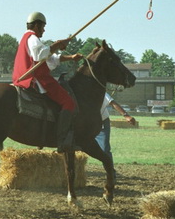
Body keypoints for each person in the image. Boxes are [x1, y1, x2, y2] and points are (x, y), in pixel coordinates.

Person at [12, 12, 83, 153]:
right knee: (69, 103)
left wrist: (71, 57)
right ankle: (62, 141)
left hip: (28, 76)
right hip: (35, 78)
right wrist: (57, 44)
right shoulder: (32, 38)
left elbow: (51, 59)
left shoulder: (30, 39)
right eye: (43, 27)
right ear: (37, 25)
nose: (44, 30)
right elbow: (41, 54)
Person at [96, 92, 136, 177]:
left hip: (102, 122)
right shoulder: (81, 91)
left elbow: (113, 103)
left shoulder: (100, 91)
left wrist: (126, 115)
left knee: (104, 149)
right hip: (87, 123)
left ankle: (111, 173)